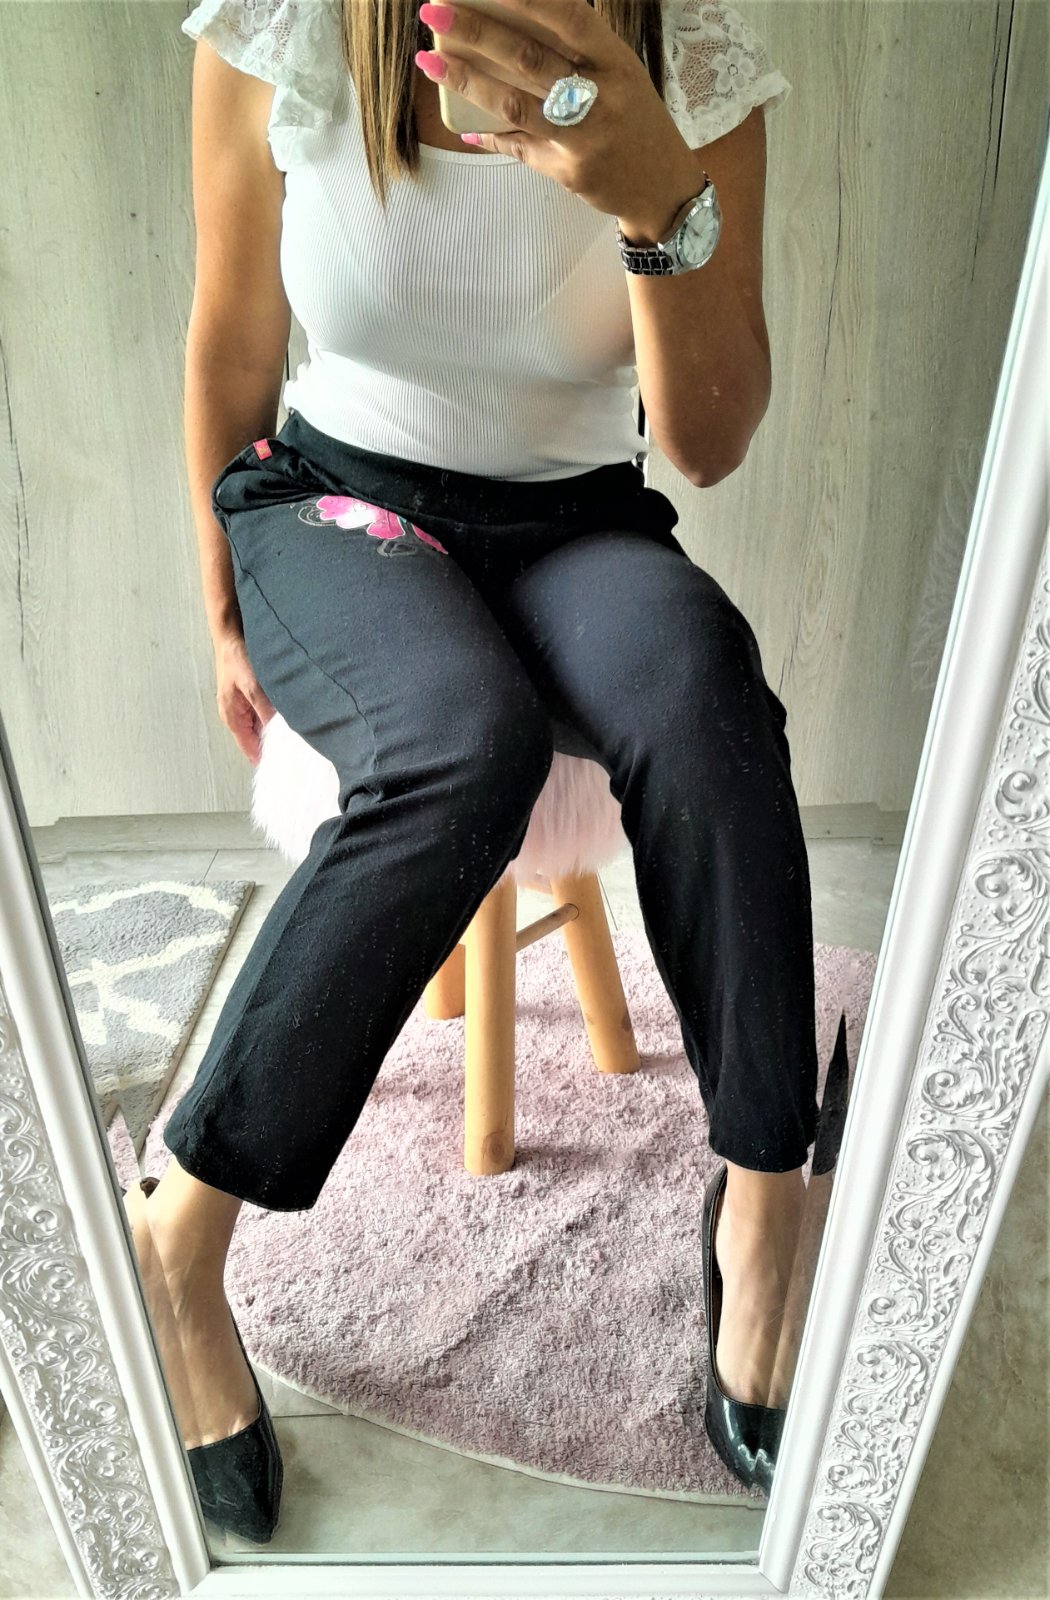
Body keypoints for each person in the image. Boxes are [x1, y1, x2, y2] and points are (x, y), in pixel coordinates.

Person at [124, 0, 820, 1541]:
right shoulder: (285, 30)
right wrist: (222, 608)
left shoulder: (695, 61)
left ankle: (769, 1199)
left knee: (704, 695)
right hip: (336, 506)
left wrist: (656, 199)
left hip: (579, 522)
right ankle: (178, 1238)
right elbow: (232, 335)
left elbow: (703, 445)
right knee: (464, 747)